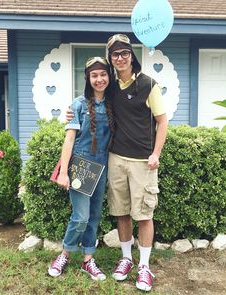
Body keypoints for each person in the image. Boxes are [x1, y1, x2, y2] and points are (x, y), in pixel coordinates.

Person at [66, 34, 168, 292]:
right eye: (115, 54)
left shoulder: (149, 85)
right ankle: (126, 259)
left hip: (143, 161)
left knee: (144, 215)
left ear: (131, 56)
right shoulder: (110, 87)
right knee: (121, 212)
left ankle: (144, 266)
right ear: (111, 59)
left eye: (124, 53)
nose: (120, 58)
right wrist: (70, 110)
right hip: (115, 159)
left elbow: (162, 121)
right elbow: (90, 98)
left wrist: (156, 153)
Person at [48, 56, 114, 281]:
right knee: (80, 217)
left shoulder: (114, 103)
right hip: (81, 164)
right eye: (94, 75)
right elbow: (69, 140)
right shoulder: (78, 104)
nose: (99, 79)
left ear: (109, 76)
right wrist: (64, 171)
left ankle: (88, 260)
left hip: (103, 166)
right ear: (87, 78)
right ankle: (65, 254)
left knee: (94, 216)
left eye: (103, 74)